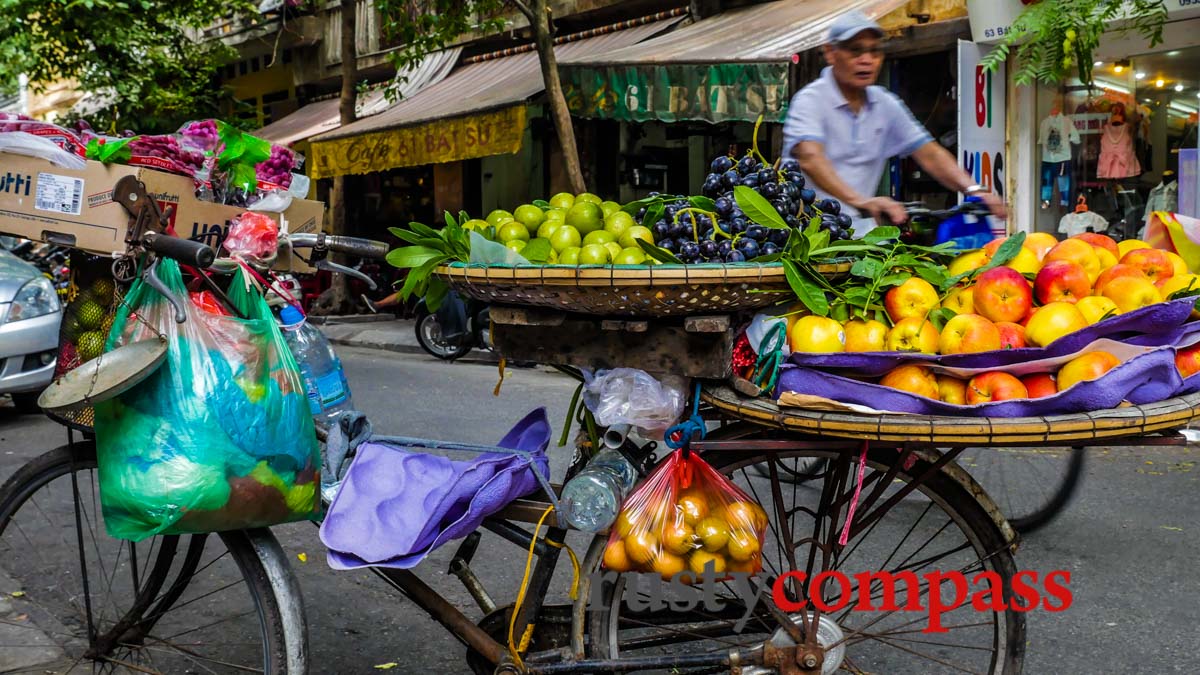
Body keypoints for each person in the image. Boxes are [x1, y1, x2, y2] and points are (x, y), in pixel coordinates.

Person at [782, 10, 1007, 235]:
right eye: (856, 50)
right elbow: (810, 158)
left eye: (874, 51)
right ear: (831, 53)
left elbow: (930, 154)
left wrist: (974, 189)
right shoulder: (810, 101)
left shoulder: (885, 104)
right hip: (804, 235)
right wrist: (862, 201)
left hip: (860, 233)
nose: (867, 60)